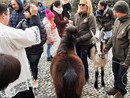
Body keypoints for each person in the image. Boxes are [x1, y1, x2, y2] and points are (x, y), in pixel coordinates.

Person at [0, 3, 41, 98]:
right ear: (3, 15)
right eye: (8, 14)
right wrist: (34, 16)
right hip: (15, 80)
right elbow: (32, 36)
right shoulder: (6, 32)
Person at [103, 1, 130, 98]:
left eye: (116, 11)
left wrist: (127, 61)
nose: (114, 13)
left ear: (123, 12)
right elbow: (113, 37)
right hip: (116, 54)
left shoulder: (129, 24)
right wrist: (107, 47)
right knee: (115, 72)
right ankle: (116, 87)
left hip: (124, 57)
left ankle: (121, 92)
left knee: (121, 75)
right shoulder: (117, 20)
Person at [16, 4, 47, 88]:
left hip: (36, 51)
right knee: (25, 65)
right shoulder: (22, 22)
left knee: (33, 65)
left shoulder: (39, 23)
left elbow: (43, 38)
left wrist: (32, 45)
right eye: (24, 11)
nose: (24, 13)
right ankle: (26, 79)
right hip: (25, 50)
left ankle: (35, 79)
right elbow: (17, 34)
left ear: (31, 13)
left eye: (27, 12)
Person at [73, 0, 96, 81]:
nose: (81, 6)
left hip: (85, 43)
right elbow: (74, 27)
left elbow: (92, 31)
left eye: (83, 4)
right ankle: (79, 75)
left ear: (88, 6)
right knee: (77, 59)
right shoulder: (76, 15)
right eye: (80, 4)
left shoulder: (90, 16)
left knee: (83, 59)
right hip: (77, 42)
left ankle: (85, 77)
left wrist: (80, 39)